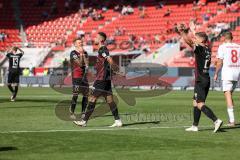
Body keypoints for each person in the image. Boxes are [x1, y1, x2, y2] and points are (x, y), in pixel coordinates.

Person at [176, 22, 223, 132]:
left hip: (201, 80)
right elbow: (195, 40)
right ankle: (195, 126)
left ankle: (216, 120)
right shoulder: (207, 49)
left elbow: (189, 41)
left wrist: (182, 32)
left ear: (201, 41)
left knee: (200, 103)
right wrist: (192, 30)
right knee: (195, 102)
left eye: (196, 38)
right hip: (205, 78)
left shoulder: (200, 49)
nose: (194, 39)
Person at [73, 32, 122, 127]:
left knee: (92, 98)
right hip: (106, 79)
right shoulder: (101, 49)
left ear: (100, 39)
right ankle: (118, 120)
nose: (94, 38)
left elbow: (109, 59)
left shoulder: (103, 49)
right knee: (110, 100)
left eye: (96, 37)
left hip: (101, 79)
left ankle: (84, 121)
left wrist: (116, 69)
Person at [214, 32, 240, 127]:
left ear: (224, 38)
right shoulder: (238, 46)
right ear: (232, 38)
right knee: (230, 94)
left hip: (227, 73)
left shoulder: (222, 47)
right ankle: (231, 118)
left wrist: (216, 73)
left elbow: (220, 62)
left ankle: (232, 121)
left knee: (227, 94)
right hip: (236, 72)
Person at [69, 37, 89, 119]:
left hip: (84, 77)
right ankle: (72, 112)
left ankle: (83, 112)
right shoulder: (73, 53)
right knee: (75, 95)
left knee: (86, 95)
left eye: (81, 42)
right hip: (76, 76)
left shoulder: (85, 52)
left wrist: (83, 55)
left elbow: (87, 64)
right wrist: (81, 55)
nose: (80, 43)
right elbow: (80, 64)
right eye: (79, 42)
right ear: (75, 44)